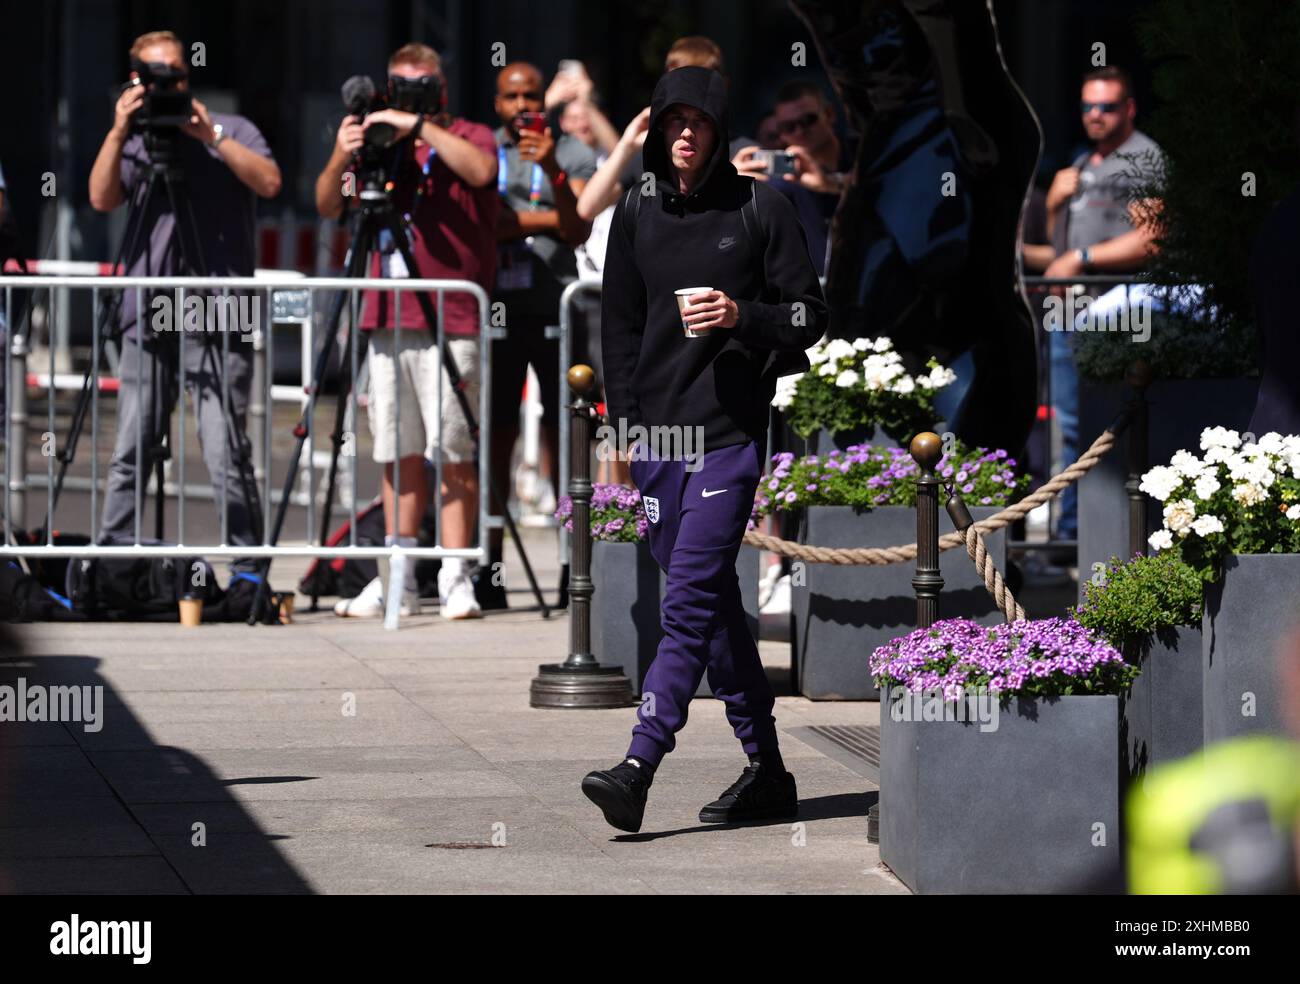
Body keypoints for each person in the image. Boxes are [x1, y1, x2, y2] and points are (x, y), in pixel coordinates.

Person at [581, 66, 828, 833]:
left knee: (685, 605)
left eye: (700, 121)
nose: (685, 133)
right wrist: (623, 433)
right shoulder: (635, 211)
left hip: (725, 441)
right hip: (657, 441)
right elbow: (617, 332)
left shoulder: (763, 207)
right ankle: (768, 772)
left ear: (720, 132)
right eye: (672, 119)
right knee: (716, 610)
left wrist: (741, 315)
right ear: (656, 129)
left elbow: (809, 317)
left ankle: (639, 763)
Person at [88, 30, 280, 591]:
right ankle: (114, 567)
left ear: (187, 77)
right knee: (131, 446)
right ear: (134, 79)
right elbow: (102, 198)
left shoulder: (230, 128)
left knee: (225, 449)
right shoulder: (135, 136)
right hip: (147, 309)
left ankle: (247, 570)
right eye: (153, 76)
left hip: (217, 312)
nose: (164, 84)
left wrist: (212, 135)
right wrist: (120, 129)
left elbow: (269, 182)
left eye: (173, 74)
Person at [315, 42, 498, 620]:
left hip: (452, 316)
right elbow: (330, 205)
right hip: (387, 314)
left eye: (422, 87)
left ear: (441, 91)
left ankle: (455, 573)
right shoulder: (376, 144)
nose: (410, 98)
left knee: (454, 446)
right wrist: (344, 155)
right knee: (397, 450)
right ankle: (397, 572)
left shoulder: (469, 134)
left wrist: (419, 125)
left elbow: (482, 171)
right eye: (401, 88)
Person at [486, 61, 596, 607]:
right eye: (513, 96)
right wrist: (543, 218)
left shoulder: (569, 148)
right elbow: (491, 224)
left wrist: (551, 166)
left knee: (565, 437)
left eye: (532, 95)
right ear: (498, 103)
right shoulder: (484, 149)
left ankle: (569, 567)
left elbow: (577, 225)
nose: (523, 105)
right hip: (497, 311)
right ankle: (489, 568)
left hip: (556, 307)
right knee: (496, 435)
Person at [1042, 65, 1163, 546]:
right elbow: (1057, 251)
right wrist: (1053, 207)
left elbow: (1154, 239)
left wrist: (1083, 257)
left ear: (1129, 108)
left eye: (1107, 106)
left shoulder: (1145, 158)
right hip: (1071, 313)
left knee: (1107, 428)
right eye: (1088, 106)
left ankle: (1107, 540)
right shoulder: (1082, 160)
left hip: (1118, 313)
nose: (1095, 115)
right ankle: (1070, 535)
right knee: (1068, 429)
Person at [735, 80, 853, 275]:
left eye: (808, 120)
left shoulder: (862, 154)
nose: (800, 131)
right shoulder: (780, 184)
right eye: (789, 127)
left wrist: (830, 184)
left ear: (830, 114)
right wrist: (728, 185)